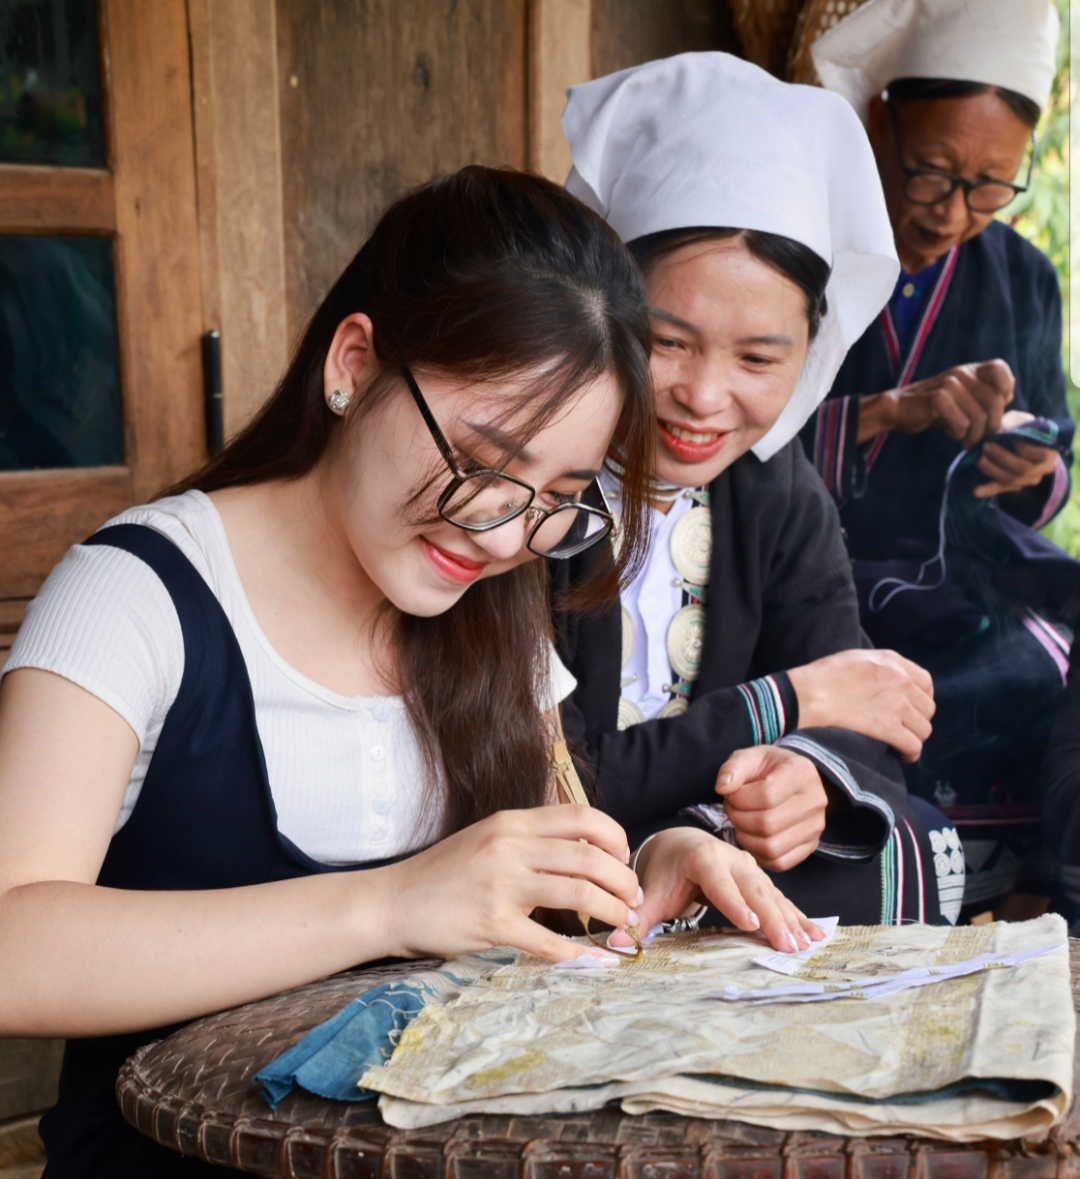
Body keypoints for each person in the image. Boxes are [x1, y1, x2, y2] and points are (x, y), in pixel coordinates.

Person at [0, 168, 823, 1179]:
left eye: (560, 497)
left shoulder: (487, 602)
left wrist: (641, 870)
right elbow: (12, 949)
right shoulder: (138, 593)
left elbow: (539, 865)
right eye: (482, 461)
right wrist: (389, 904)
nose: (504, 535)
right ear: (354, 364)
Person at [554, 53, 962, 936]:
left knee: (914, 847)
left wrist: (805, 775)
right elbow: (561, 777)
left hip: (697, 835)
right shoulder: (534, 484)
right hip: (545, 847)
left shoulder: (777, 490)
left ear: (810, 354)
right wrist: (784, 704)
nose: (705, 398)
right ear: (602, 309)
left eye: (758, 358)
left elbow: (857, 712)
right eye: (667, 342)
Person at [801, 0, 1080, 910]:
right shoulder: (806, 246)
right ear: (882, 121)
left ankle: (1047, 881)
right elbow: (733, 444)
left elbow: (1053, 449)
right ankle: (914, 860)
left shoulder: (1025, 276)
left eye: (991, 186)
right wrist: (888, 412)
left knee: (1047, 655)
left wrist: (1030, 470)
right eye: (932, 171)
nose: (955, 212)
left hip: (969, 567)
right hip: (826, 566)